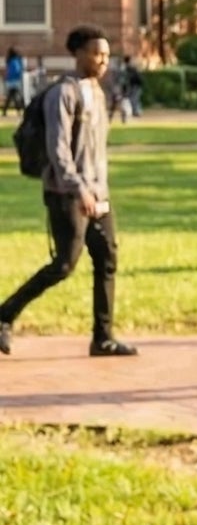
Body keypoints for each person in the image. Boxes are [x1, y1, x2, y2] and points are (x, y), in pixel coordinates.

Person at [0, 26, 138, 359]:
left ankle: (102, 338)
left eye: (106, 54)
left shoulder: (98, 92)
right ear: (77, 53)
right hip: (66, 194)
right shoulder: (62, 94)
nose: (103, 59)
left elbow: (96, 151)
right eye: (96, 52)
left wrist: (99, 192)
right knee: (64, 265)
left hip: (98, 194)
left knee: (107, 259)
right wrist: (79, 191)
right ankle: (4, 315)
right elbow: (59, 151)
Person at [3, 46, 22, 116]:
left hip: (10, 80)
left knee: (12, 95)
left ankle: (6, 110)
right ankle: (18, 110)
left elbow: (8, 70)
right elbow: (17, 70)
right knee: (13, 95)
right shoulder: (16, 60)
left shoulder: (10, 60)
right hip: (15, 80)